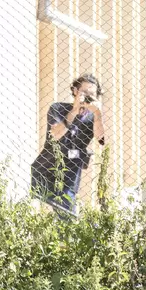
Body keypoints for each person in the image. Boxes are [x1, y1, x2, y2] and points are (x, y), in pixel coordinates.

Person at [31, 73, 106, 217]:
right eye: (84, 93)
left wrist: (97, 114)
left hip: (70, 175)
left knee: (66, 216)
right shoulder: (58, 108)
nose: (88, 98)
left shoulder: (93, 117)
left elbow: (101, 140)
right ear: (75, 91)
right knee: (37, 213)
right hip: (46, 169)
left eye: (92, 95)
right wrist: (74, 111)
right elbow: (56, 134)